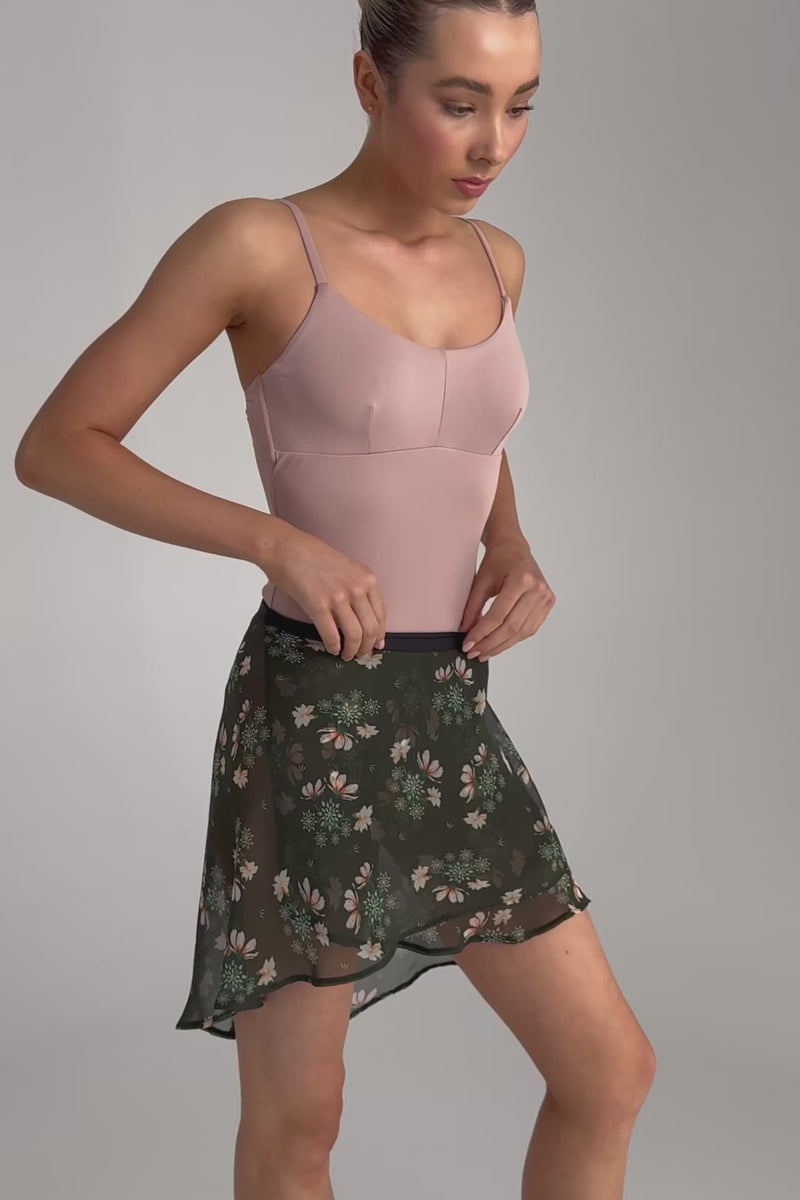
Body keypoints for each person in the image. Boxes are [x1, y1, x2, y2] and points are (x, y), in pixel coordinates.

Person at [14, 1, 656, 1197]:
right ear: (369, 81)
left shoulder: (497, 260)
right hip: (311, 713)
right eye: (457, 103)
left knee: (607, 1070)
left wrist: (509, 542)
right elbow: (57, 445)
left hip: (447, 715)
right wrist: (276, 544)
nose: (492, 142)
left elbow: (465, 430)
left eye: (518, 106)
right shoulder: (260, 244)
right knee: (301, 1120)